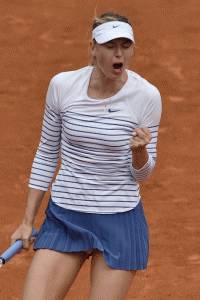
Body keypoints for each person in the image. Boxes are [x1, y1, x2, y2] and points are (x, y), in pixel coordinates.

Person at [11, 12, 162, 300]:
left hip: (119, 219)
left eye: (125, 46)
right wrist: (27, 221)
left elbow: (142, 174)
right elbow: (46, 153)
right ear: (93, 48)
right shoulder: (63, 86)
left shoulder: (146, 96)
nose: (119, 54)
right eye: (109, 46)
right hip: (65, 216)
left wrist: (140, 151)